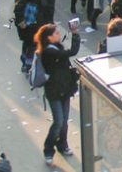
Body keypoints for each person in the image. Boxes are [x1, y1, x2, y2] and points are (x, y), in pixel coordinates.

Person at [35, 22, 79, 166]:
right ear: (49, 37)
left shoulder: (57, 48)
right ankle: (48, 149)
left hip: (64, 90)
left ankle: (62, 144)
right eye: (56, 33)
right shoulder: (49, 52)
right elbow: (72, 52)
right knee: (59, 121)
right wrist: (75, 33)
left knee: (64, 121)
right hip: (54, 91)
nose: (59, 35)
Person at [13, 0, 43, 73]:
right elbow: (19, 6)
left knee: (29, 43)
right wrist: (21, 21)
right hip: (28, 21)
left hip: (33, 20)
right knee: (30, 43)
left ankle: (27, 62)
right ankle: (27, 64)